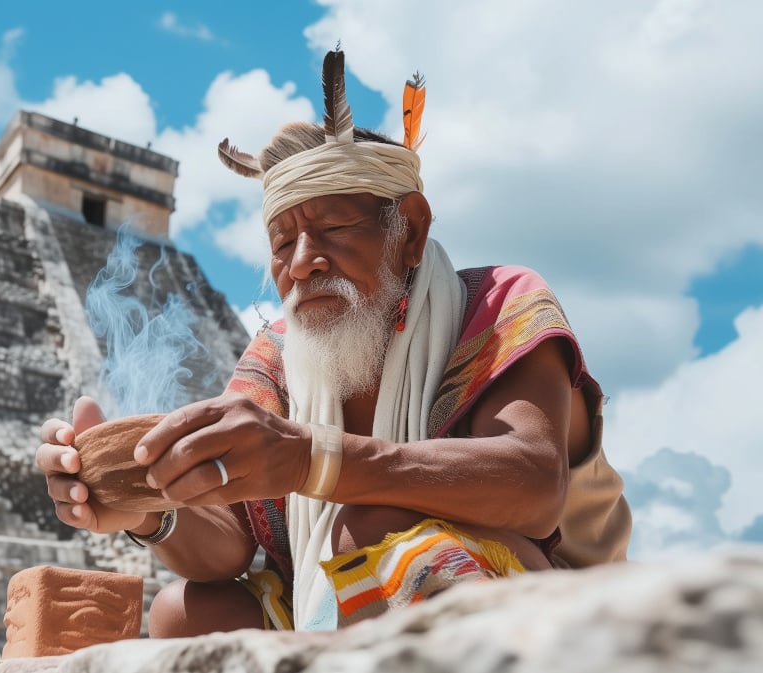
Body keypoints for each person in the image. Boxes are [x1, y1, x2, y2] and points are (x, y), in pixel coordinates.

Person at [36, 48, 631, 636]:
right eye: (281, 242)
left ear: (411, 231)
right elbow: (226, 549)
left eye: (333, 230)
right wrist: (148, 508)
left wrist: (310, 458)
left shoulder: (502, 304)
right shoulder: (275, 358)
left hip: (559, 616)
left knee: (375, 528)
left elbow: (533, 484)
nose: (301, 264)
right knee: (188, 611)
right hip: (350, 614)